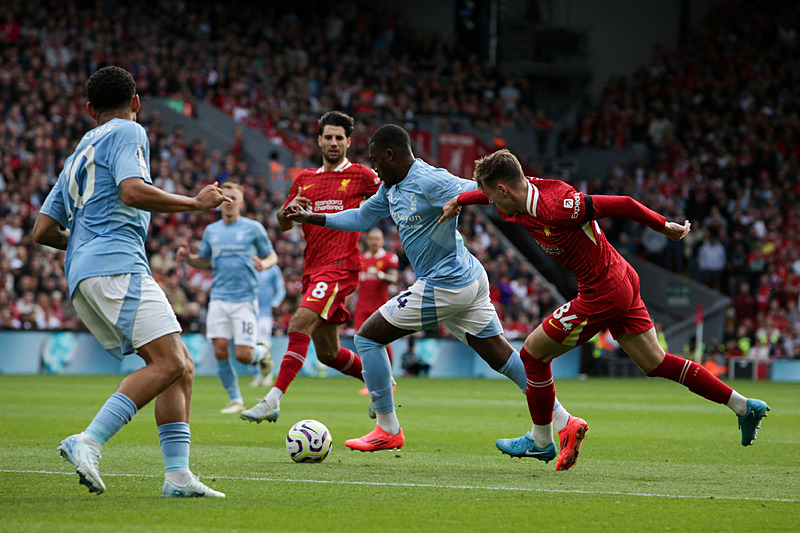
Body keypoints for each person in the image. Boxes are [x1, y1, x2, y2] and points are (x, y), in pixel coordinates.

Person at [286, 125, 588, 471]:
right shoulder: (390, 186)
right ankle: (564, 423)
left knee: (366, 337)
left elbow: (484, 188)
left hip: (448, 284)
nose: (374, 168)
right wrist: (313, 217)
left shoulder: (429, 179)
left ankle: (387, 427)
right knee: (500, 356)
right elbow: (361, 217)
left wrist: (469, 198)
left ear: (391, 155)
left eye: (375, 160)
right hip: (468, 278)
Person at [441, 148, 769, 460]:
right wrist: (459, 199)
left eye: (493, 196)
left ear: (504, 189)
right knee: (656, 363)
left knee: (531, 355)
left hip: (603, 291)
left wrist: (662, 225)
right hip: (621, 276)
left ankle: (541, 441)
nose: (493, 204)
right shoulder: (516, 193)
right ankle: (743, 406)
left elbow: (623, 203)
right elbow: (485, 193)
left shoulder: (558, 206)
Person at [32, 66, 227, 497]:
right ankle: (88, 440)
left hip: (86, 274)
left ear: (89, 110)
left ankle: (177, 477)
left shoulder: (75, 157)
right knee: (170, 363)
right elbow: (133, 191)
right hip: (116, 266)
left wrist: (83, 244)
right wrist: (195, 204)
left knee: (181, 367)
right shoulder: (127, 132)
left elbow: (43, 231)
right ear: (136, 103)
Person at [240, 110, 380, 424]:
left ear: (348, 141)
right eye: (328, 137)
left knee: (298, 324)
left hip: (340, 265)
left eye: (339, 138)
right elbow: (283, 224)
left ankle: (273, 399)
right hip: (313, 269)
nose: (333, 143)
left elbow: (390, 197)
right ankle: (380, 385)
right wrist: (286, 211)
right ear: (319, 140)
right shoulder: (305, 179)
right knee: (329, 354)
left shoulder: (362, 175)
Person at [176, 182, 277, 413]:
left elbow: (272, 255)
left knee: (244, 356)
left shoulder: (253, 228)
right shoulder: (212, 231)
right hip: (219, 298)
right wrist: (189, 258)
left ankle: (263, 354)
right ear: (220, 202)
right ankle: (235, 400)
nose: (229, 202)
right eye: (226, 197)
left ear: (241, 203)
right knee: (220, 350)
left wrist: (265, 263)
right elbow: (205, 261)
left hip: (244, 299)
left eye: (234, 198)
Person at [354, 228, 399, 395]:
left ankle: (389, 380)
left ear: (382, 241)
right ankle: (370, 383)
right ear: (367, 240)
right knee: (363, 346)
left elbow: (393, 278)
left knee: (385, 343)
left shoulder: (389, 258)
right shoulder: (360, 259)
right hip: (362, 309)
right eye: (371, 238)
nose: (374, 241)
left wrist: (381, 275)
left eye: (377, 239)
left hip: (380, 308)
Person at [253, 263, 286, 387]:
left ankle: (267, 375)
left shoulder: (273, 269)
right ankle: (258, 375)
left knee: (264, 343)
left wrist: (275, 302)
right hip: (250, 312)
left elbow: (280, 288)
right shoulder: (250, 265)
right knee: (253, 344)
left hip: (265, 314)